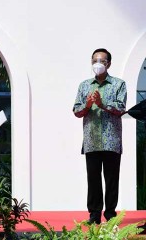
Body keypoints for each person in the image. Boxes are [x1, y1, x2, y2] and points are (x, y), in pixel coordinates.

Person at [73, 48, 127, 224]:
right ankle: (94, 214)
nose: (97, 64)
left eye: (102, 61)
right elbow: (77, 111)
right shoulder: (84, 86)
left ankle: (110, 214)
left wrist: (102, 104)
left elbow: (121, 109)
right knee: (93, 179)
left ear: (109, 64)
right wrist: (88, 104)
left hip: (112, 139)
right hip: (91, 139)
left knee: (112, 179)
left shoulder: (119, 84)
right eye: (94, 60)